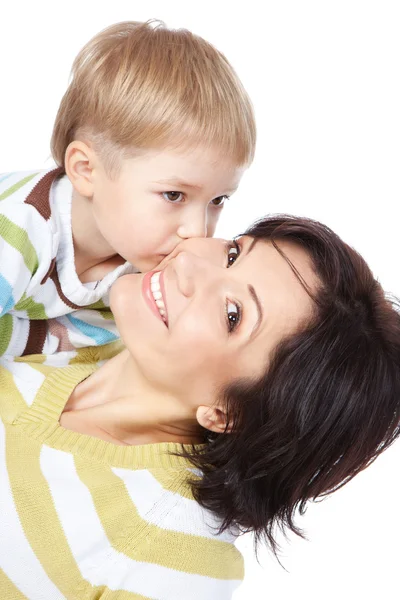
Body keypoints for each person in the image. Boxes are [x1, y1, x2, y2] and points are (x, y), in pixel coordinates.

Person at [1, 215, 399, 599]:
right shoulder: (58, 313)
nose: (188, 262)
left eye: (232, 315)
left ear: (229, 413)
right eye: (233, 253)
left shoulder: (170, 556)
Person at [0, 20, 255, 358]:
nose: (197, 232)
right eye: (173, 195)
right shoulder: (19, 232)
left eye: (218, 200)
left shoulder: (139, 269)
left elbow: (71, 349)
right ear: (86, 171)